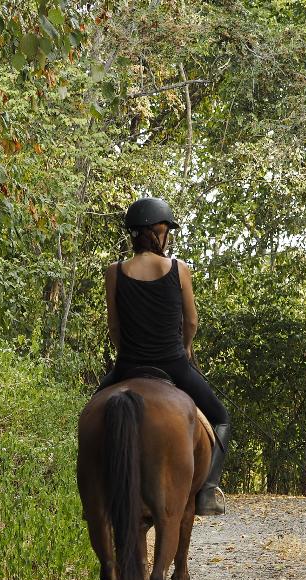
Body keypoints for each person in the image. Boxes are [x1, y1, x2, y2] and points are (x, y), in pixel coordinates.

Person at [97, 197, 231, 515]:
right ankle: (207, 492)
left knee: (90, 416)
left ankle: (97, 493)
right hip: (173, 364)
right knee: (221, 418)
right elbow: (192, 321)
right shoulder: (178, 269)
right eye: (167, 231)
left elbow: (114, 327)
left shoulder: (114, 272)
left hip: (128, 365)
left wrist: (126, 355)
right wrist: (183, 347)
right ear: (158, 232)